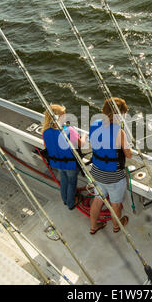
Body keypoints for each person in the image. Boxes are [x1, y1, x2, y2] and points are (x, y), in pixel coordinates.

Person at [88, 97, 132, 234]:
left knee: (98, 200)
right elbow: (129, 154)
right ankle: (117, 227)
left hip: (96, 171)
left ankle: (93, 227)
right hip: (114, 177)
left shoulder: (94, 124)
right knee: (115, 205)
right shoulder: (119, 132)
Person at [42, 104, 86, 210]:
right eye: (63, 115)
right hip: (70, 165)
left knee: (64, 180)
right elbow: (82, 144)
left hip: (58, 164)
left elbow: (46, 146)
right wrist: (84, 136)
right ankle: (71, 203)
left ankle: (65, 200)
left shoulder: (45, 131)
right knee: (71, 183)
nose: (65, 117)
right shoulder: (69, 130)